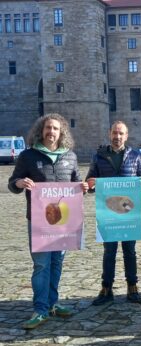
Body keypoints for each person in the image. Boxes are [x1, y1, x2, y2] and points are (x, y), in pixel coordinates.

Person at [8, 113, 88, 329]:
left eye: (55, 128)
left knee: (56, 263)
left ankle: (53, 303)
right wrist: (19, 183)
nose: (51, 132)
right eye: (47, 128)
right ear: (40, 132)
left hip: (64, 222)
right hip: (38, 221)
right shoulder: (28, 156)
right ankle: (40, 309)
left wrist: (83, 188)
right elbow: (12, 183)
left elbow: (76, 183)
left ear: (61, 132)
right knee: (41, 264)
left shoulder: (69, 156)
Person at [86, 121, 141, 306]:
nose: (117, 136)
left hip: (129, 214)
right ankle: (106, 287)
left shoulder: (136, 156)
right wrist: (90, 183)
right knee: (109, 252)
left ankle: (132, 286)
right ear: (109, 134)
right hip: (108, 214)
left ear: (126, 135)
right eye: (115, 133)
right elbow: (90, 181)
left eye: (121, 133)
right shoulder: (99, 156)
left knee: (130, 251)